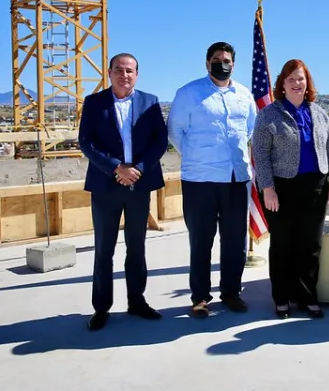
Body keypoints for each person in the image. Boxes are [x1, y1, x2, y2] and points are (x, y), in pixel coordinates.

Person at [78, 53, 168, 331]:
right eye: (119, 70)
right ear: (109, 73)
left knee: (137, 246)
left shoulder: (150, 102)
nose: (124, 75)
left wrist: (138, 168)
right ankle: (101, 308)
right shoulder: (94, 103)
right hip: (106, 186)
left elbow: (160, 141)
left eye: (129, 71)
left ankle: (136, 301)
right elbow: (86, 142)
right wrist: (117, 167)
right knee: (104, 249)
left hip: (139, 184)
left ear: (137, 75)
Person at [167, 41, 257, 318]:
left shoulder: (244, 95)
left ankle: (231, 292)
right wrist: (197, 157)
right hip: (200, 180)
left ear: (234, 64)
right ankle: (200, 297)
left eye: (227, 59)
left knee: (235, 242)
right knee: (202, 240)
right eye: (217, 59)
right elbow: (175, 132)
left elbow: (250, 129)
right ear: (207, 64)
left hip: (236, 178)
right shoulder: (188, 93)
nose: (222, 63)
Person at [252, 59, 329, 319]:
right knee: (283, 244)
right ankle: (282, 298)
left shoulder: (319, 113)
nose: (296, 83)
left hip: (315, 186)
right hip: (281, 188)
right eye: (290, 79)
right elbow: (261, 153)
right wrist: (267, 188)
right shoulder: (268, 114)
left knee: (310, 245)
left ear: (307, 83)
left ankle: (307, 297)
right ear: (282, 83)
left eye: (300, 78)